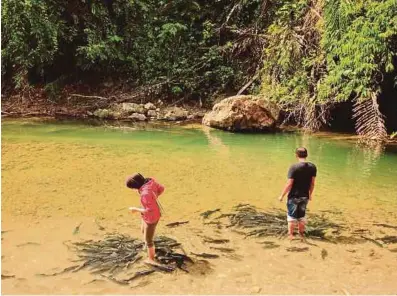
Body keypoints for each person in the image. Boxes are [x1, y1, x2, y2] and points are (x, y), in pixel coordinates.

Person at [278, 147, 316, 240]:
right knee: (301, 216)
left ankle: (290, 236)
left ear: (296, 155)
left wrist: (281, 195)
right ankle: (301, 234)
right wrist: (310, 194)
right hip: (305, 196)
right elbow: (312, 183)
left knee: (291, 216)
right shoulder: (312, 167)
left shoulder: (294, 167)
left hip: (294, 196)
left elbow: (289, 184)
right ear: (306, 155)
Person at [126, 173, 164, 264]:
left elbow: (149, 210)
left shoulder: (145, 194)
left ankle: (151, 259)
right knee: (143, 230)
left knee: (149, 240)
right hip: (148, 215)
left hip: (151, 218)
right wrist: (154, 198)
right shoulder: (151, 182)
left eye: (132, 188)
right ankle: (147, 245)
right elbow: (162, 188)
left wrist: (135, 209)